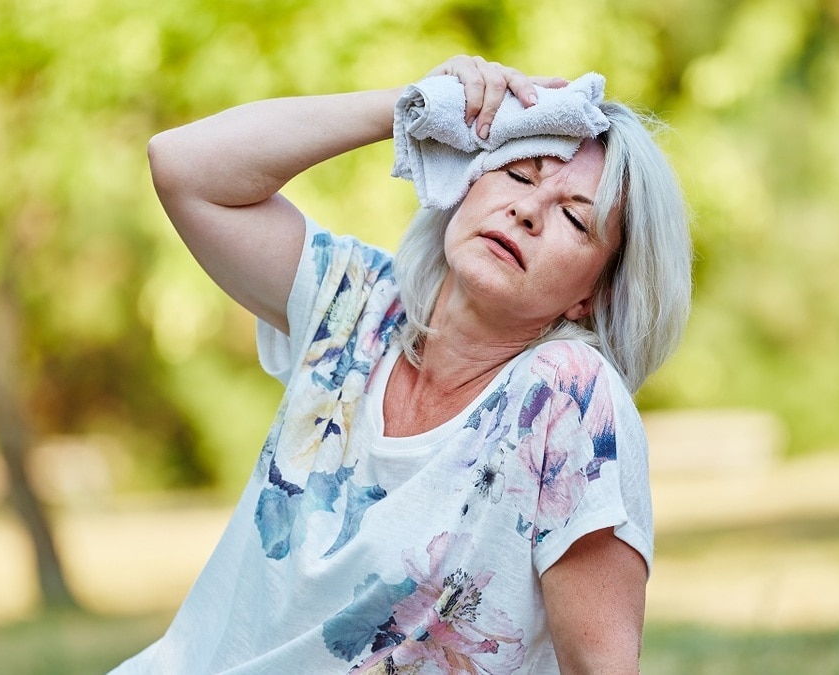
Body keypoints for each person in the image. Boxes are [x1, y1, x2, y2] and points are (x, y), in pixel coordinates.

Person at [113, 55, 691, 674]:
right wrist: (411, 107)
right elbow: (182, 167)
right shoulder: (355, 303)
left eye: (576, 217)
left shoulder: (567, 396)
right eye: (519, 173)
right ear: (470, 177)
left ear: (594, 294)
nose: (528, 211)